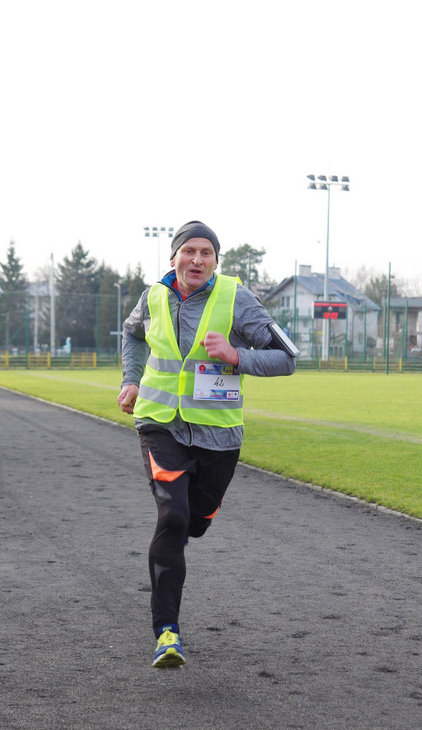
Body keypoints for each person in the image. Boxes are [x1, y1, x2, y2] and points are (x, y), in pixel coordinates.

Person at [117, 220, 297, 668]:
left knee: (194, 522)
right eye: (189, 251)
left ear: (216, 261)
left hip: (218, 436)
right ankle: (167, 633)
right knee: (172, 517)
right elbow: (132, 335)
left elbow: (287, 359)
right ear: (173, 257)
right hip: (160, 424)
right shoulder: (152, 296)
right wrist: (131, 380)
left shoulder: (236, 298)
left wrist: (238, 356)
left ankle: (201, 515)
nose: (197, 260)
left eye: (206, 253)